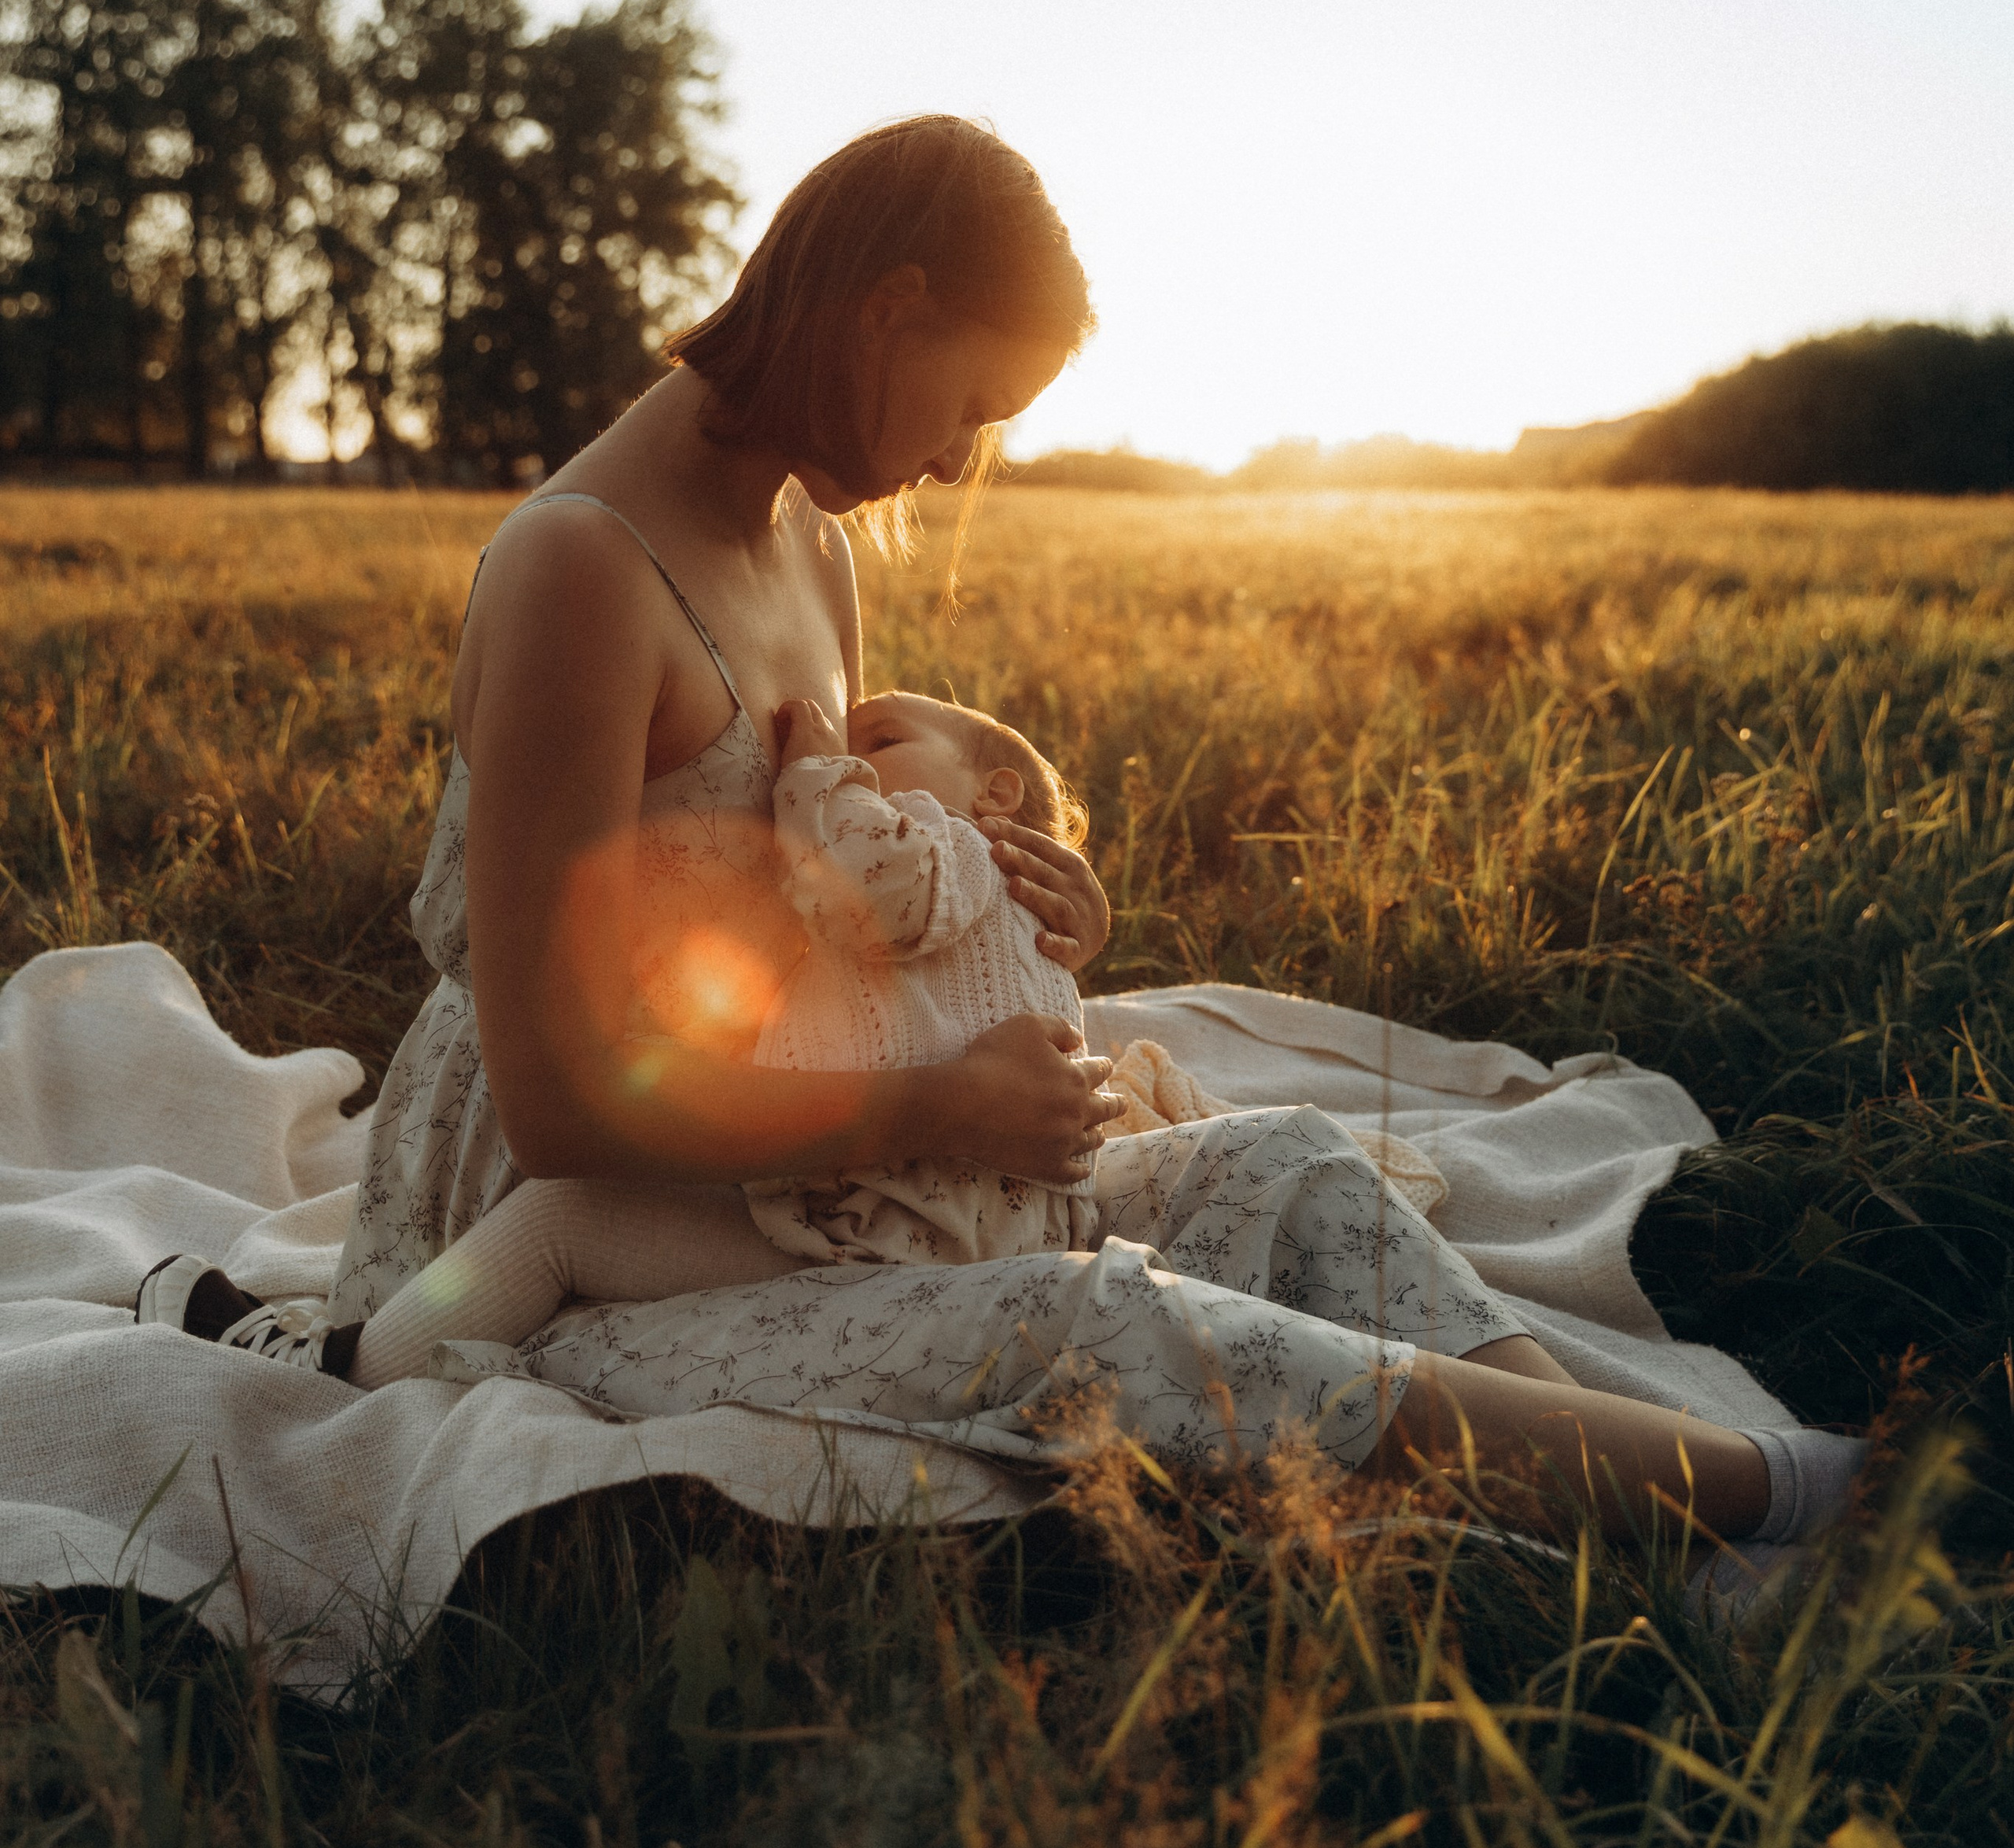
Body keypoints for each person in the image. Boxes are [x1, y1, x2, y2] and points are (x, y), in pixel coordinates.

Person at [131, 113, 1864, 1604]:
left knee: (1291, 1169)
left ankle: (1650, 1485)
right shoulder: (581, 572)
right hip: (595, 1211)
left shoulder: (811, 537)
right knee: (1102, 1329)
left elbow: (871, 821)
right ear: (889, 312)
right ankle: (1787, 1505)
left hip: (827, 1148)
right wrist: (929, 1113)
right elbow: (566, 1094)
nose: (964, 458)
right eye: (973, 400)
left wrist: (1036, 873)